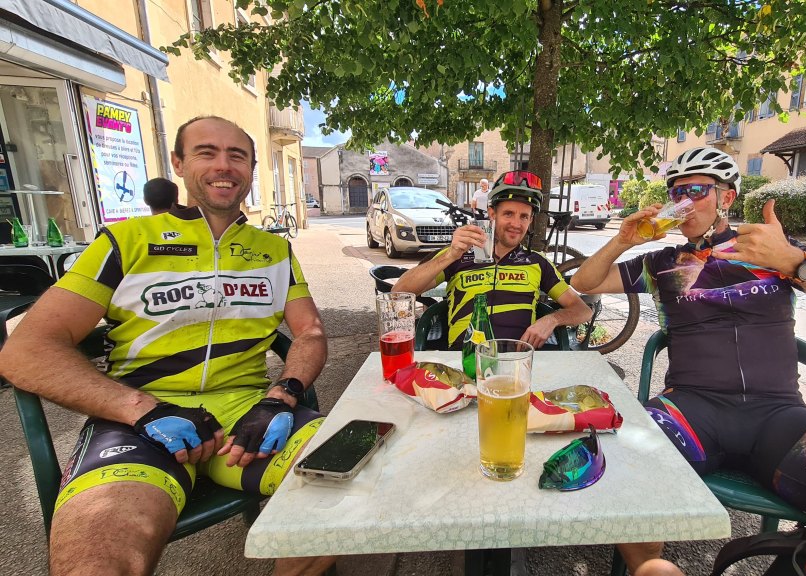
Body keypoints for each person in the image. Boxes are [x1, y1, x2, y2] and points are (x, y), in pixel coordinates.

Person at [571, 147, 806, 576]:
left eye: (697, 190)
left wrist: (793, 261)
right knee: (619, 474)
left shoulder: (770, 250)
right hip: (688, 411)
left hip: (780, 417)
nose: (683, 202)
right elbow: (585, 282)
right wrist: (623, 241)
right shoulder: (662, 263)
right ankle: (648, 565)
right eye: (676, 193)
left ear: (727, 198)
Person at [0, 116, 336, 576]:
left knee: (361, 479)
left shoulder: (274, 251)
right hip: (137, 418)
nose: (224, 166)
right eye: (206, 152)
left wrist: (282, 395)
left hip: (247, 413)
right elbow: (25, 351)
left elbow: (310, 332)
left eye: (237, 156)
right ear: (178, 163)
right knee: (97, 561)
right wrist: (141, 408)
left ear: (251, 170)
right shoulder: (125, 240)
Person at [393, 170, 591, 350]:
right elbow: (399, 292)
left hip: (517, 363)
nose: (516, 224)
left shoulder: (537, 261)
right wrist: (450, 255)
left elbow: (583, 310)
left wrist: (552, 320)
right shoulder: (459, 253)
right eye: (508, 214)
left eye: (524, 216)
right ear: (492, 214)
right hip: (465, 360)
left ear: (531, 220)